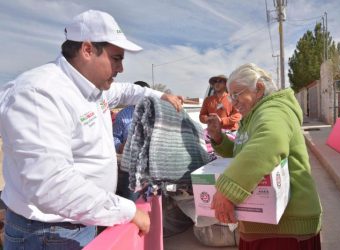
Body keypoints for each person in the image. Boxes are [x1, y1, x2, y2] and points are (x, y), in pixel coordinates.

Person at [0, 9, 184, 249]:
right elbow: (50, 184)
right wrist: (127, 211)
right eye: (116, 58)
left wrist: (162, 96)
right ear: (87, 50)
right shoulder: (39, 93)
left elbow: (129, 91)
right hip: (46, 234)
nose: (121, 68)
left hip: (78, 223)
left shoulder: (92, 89)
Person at [207, 63, 322, 250]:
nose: (233, 102)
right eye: (231, 97)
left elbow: (270, 141)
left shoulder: (273, 109)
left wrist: (226, 190)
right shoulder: (255, 115)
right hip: (265, 224)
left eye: (237, 94)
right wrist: (219, 138)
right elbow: (245, 151)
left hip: (284, 229)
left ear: (259, 88)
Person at [113, 80, 150, 201]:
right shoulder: (123, 115)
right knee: (132, 203)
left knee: (155, 205)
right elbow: (114, 137)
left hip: (153, 168)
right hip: (131, 169)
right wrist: (120, 146)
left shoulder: (157, 113)